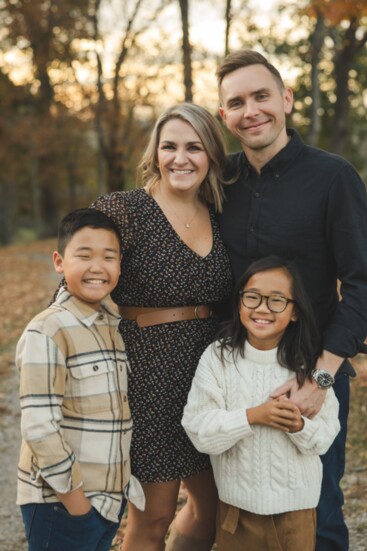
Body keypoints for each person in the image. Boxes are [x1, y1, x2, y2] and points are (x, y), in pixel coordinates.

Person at [216, 49, 367, 550]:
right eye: (237, 102)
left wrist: (322, 378)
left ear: (286, 98)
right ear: (224, 116)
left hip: (310, 372)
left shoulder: (333, 177)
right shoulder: (219, 183)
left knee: (318, 513)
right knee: (239, 513)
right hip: (235, 373)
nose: (251, 110)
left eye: (262, 95)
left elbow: (362, 281)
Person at [91, 103, 233, 551]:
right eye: (169, 146)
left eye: (194, 147)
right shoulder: (124, 210)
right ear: (155, 153)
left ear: (211, 153)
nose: (180, 158)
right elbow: (81, 280)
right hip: (148, 376)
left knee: (214, 512)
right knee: (152, 517)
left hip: (210, 375)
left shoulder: (221, 213)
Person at [183, 256, 340, 550]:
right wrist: (253, 416)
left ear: (294, 311)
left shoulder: (309, 365)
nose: (263, 308)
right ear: (239, 302)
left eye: (277, 300)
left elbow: (324, 438)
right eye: (252, 297)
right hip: (236, 511)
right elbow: (197, 429)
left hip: (296, 513)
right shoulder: (218, 357)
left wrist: (298, 426)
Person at [16, 208, 144, 551]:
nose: (97, 267)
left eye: (109, 257)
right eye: (84, 256)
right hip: (62, 504)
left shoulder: (111, 327)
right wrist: (75, 503)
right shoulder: (48, 330)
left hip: (107, 502)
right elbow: (40, 427)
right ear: (59, 262)